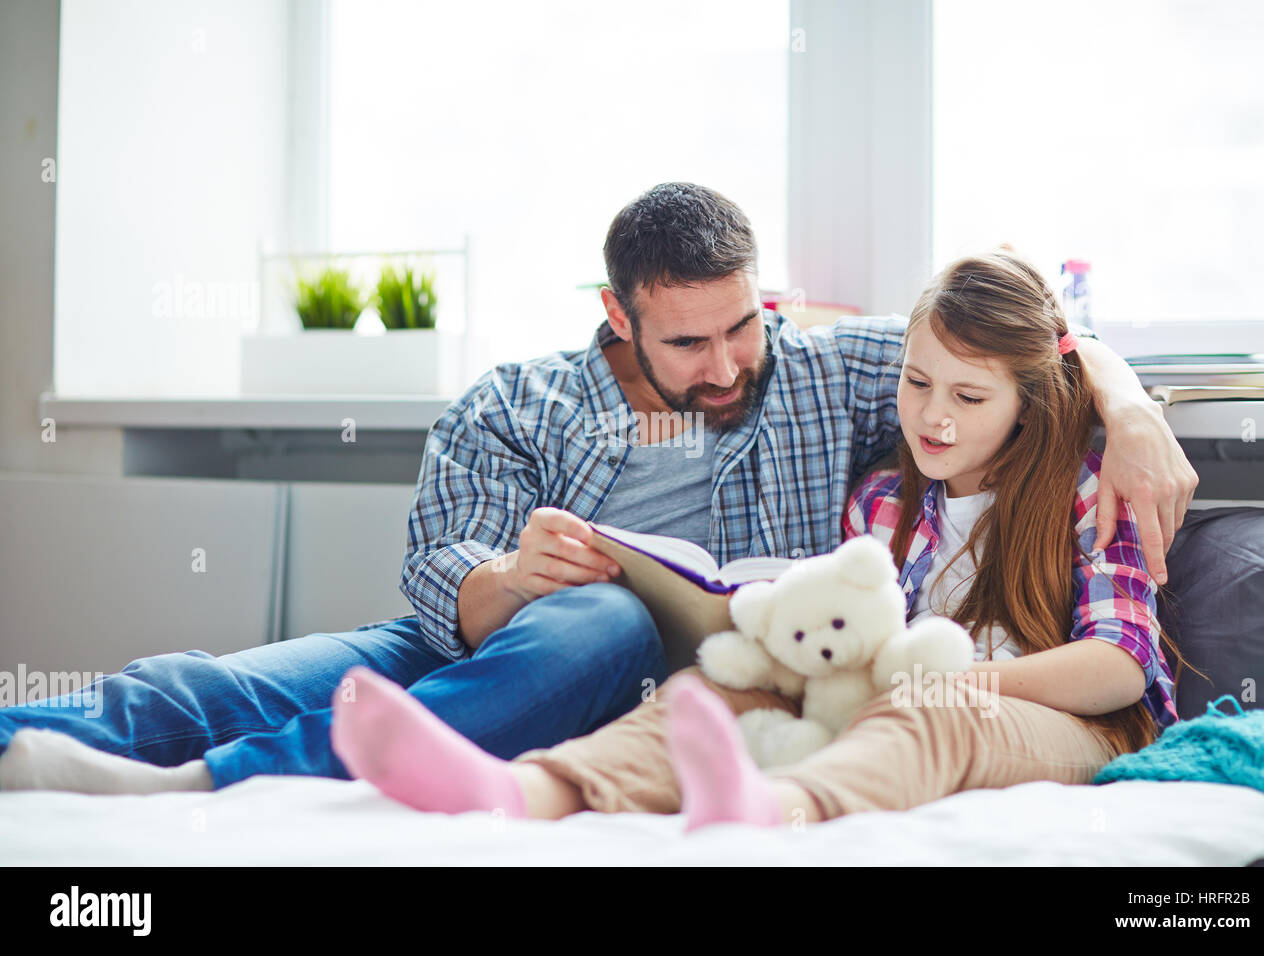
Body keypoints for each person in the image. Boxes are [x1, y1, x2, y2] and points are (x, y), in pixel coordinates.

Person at [0, 186, 1196, 796]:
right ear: (615, 315)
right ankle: (49, 746)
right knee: (226, 680)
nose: (728, 363)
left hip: (680, 675)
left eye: (743, 323)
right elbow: (442, 595)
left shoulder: (829, 370)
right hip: (494, 650)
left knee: (615, 622)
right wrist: (518, 578)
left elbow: (1011, 340)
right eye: (688, 343)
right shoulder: (514, 404)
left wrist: (1131, 410)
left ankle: (217, 789)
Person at [324, 249, 1206, 829]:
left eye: (969, 399)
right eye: (916, 382)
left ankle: (777, 809)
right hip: (897, 700)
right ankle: (521, 789)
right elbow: (860, 649)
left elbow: (1120, 665)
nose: (932, 417)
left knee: (928, 710)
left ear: (1032, 397)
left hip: (1071, 724)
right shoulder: (885, 502)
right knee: (714, 693)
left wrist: (951, 679)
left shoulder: (1091, 492)